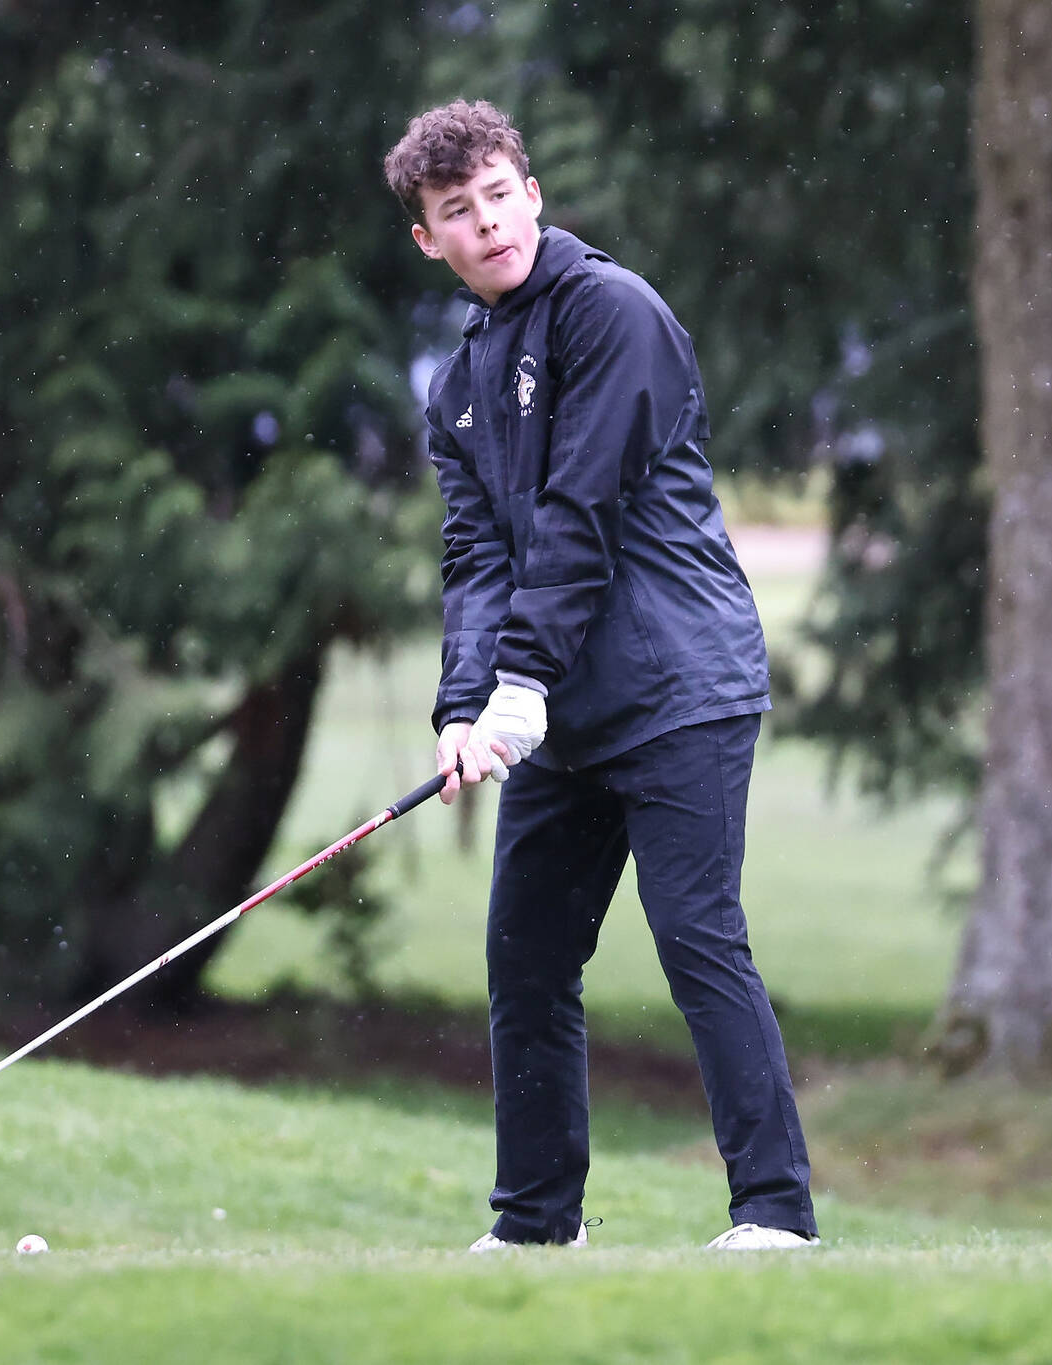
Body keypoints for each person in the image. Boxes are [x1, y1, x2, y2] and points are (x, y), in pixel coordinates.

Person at [383, 100, 818, 1252]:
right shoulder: (459, 385)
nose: (483, 225)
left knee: (694, 934)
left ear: (528, 188)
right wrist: (464, 704)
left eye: (493, 195)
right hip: (559, 714)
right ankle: (533, 1225)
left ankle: (773, 1213)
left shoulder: (610, 313)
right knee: (525, 956)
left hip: (679, 686)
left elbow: (579, 513)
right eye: (452, 214)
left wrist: (515, 685)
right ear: (427, 241)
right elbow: (478, 555)